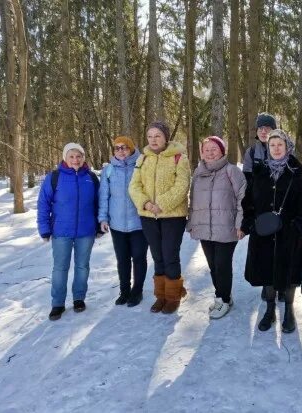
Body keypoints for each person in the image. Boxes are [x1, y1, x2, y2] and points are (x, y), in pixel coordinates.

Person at [241, 129, 302, 333]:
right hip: (263, 234)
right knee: (266, 272)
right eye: (272, 145)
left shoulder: (297, 172)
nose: (276, 148)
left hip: (290, 235)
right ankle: (269, 309)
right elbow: (248, 201)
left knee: (289, 272)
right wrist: (251, 223)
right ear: (267, 148)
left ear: (287, 146)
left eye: (280, 144)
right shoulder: (260, 172)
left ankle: (289, 310)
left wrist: (297, 225)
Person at [129, 121, 191, 314]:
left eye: (158, 136)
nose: (153, 140)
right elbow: (134, 186)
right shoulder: (142, 159)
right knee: (157, 256)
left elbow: (182, 186)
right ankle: (161, 295)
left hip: (172, 216)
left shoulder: (179, 157)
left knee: (170, 255)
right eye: (150, 136)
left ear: (166, 137)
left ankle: (173, 297)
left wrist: (161, 204)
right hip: (148, 216)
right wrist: (146, 204)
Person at [37, 143, 101, 321]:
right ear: (65, 157)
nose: (75, 160)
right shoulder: (54, 177)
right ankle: (57, 303)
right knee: (60, 268)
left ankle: (79, 298)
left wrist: (98, 225)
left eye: (79, 156)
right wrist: (44, 228)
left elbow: (98, 204)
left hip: (86, 232)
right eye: (71, 156)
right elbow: (43, 204)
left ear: (84, 157)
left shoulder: (91, 178)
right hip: (61, 232)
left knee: (82, 267)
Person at [187, 136, 246, 319]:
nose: (210, 153)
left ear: (222, 151)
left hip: (226, 228)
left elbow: (242, 200)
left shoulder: (232, 171)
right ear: (202, 152)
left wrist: (240, 224)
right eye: (207, 149)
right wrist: (191, 222)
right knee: (213, 266)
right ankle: (221, 296)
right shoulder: (198, 173)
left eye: (214, 149)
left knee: (222, 265)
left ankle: (224, 299)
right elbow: (193, 201)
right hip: (204, 228)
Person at [98, 136, 148, 307]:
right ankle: (124, 291)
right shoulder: (109, 170)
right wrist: (103, 218)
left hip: (139, 223)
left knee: (139, 257)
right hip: (117, 224)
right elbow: (104, 196)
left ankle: (137, 291)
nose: (120, 151)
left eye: (124, 147)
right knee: (122, 259)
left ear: (132, 148)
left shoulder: (142, 165)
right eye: (117, 148)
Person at [242, 113, 285, 302]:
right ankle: (268, 284)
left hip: (281, 208)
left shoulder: (283, 148)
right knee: (264, 251)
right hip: (260, 209)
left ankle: (283, 285)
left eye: (267, 128)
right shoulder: (251, 153)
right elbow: (247, 182)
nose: (263, 131)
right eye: (260, 128)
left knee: (282, 249)